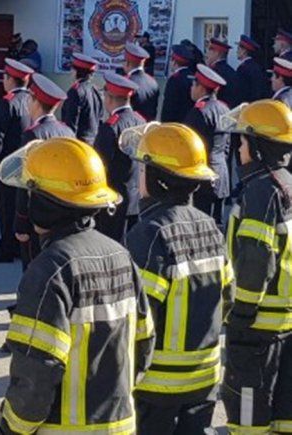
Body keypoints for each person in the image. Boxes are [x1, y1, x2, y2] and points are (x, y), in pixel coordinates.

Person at [0, 136, 154, 435]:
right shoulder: (121, 255)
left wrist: (12, 429)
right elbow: (143, 345)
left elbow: (36, 373)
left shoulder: (50, 269)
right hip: (121, 425)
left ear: (45, 202)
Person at [126, 123, 232, 435]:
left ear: (157, 179)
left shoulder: (149, 233)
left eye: (144, 168)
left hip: (157, 385)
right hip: (204, 377)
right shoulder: (211, 227)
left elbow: (139, 321)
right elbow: (228, 297)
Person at [221, 99, 292, 434]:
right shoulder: (286, 185)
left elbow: (256, 259)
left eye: (244, 140)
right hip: (286, 326)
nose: (238, 148)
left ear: (260, 147)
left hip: (258, 329)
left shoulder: (261, 191)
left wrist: (241, 315)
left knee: (249, 419)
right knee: (283, 418)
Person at [16, 73, 74, 268]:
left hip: (37, 211)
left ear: (35, 102)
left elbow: (25, 181)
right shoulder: (67, 131)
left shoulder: (32, 134)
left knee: (32, 264)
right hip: (60, 209)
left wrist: (21, 221)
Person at [0, 59, 33, 263]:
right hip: (27, 163)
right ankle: (19, 245)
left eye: (5, 77)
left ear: (11, 80)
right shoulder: (33, 100)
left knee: (5, 207)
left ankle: (6, 247)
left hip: (8, 164)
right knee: (21, 206)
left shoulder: (7, 102)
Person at [94, 72, 146, 242]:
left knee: (112, 244)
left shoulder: (110, 127)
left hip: (113, 199)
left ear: (108, 98)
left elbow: (100, 166)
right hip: (136, 195)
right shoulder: (140, 121)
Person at [183, 64, 230, 225]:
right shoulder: (224, 109)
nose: (191, 88)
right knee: (218, 224)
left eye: (193, 84)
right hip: (221, 173)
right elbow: (226, 146)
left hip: (202, 179)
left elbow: (189, 147)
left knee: (203, 226)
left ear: (201, 88)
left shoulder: (199, 112)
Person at [61, 53, 103, 144]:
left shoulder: (75, 91)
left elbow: (71, 123)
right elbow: (100, 118)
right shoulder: (96, 90)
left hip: (79, 144)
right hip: (93, 143)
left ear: (76, 72)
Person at [124, 42, 159, 121]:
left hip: (131, 128)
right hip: (148, 128)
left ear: (127, 62)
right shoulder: (153, 82)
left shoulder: (127, 82)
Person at [161, 45, 195, 123]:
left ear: (174, 61)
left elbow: (168, 107)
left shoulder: (174, 80)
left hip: (175, 124)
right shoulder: (193, 77)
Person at [206, 38, 241, 109]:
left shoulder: (214, 72)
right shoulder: (231, 70)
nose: (207, 53)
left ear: (217, 53)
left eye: (210, 50)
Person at [236, 35, 271, 103]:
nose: (237, 51)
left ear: (244, 51)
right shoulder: (257, 66)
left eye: (238, 48)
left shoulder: (243, 68)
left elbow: (240, 91)